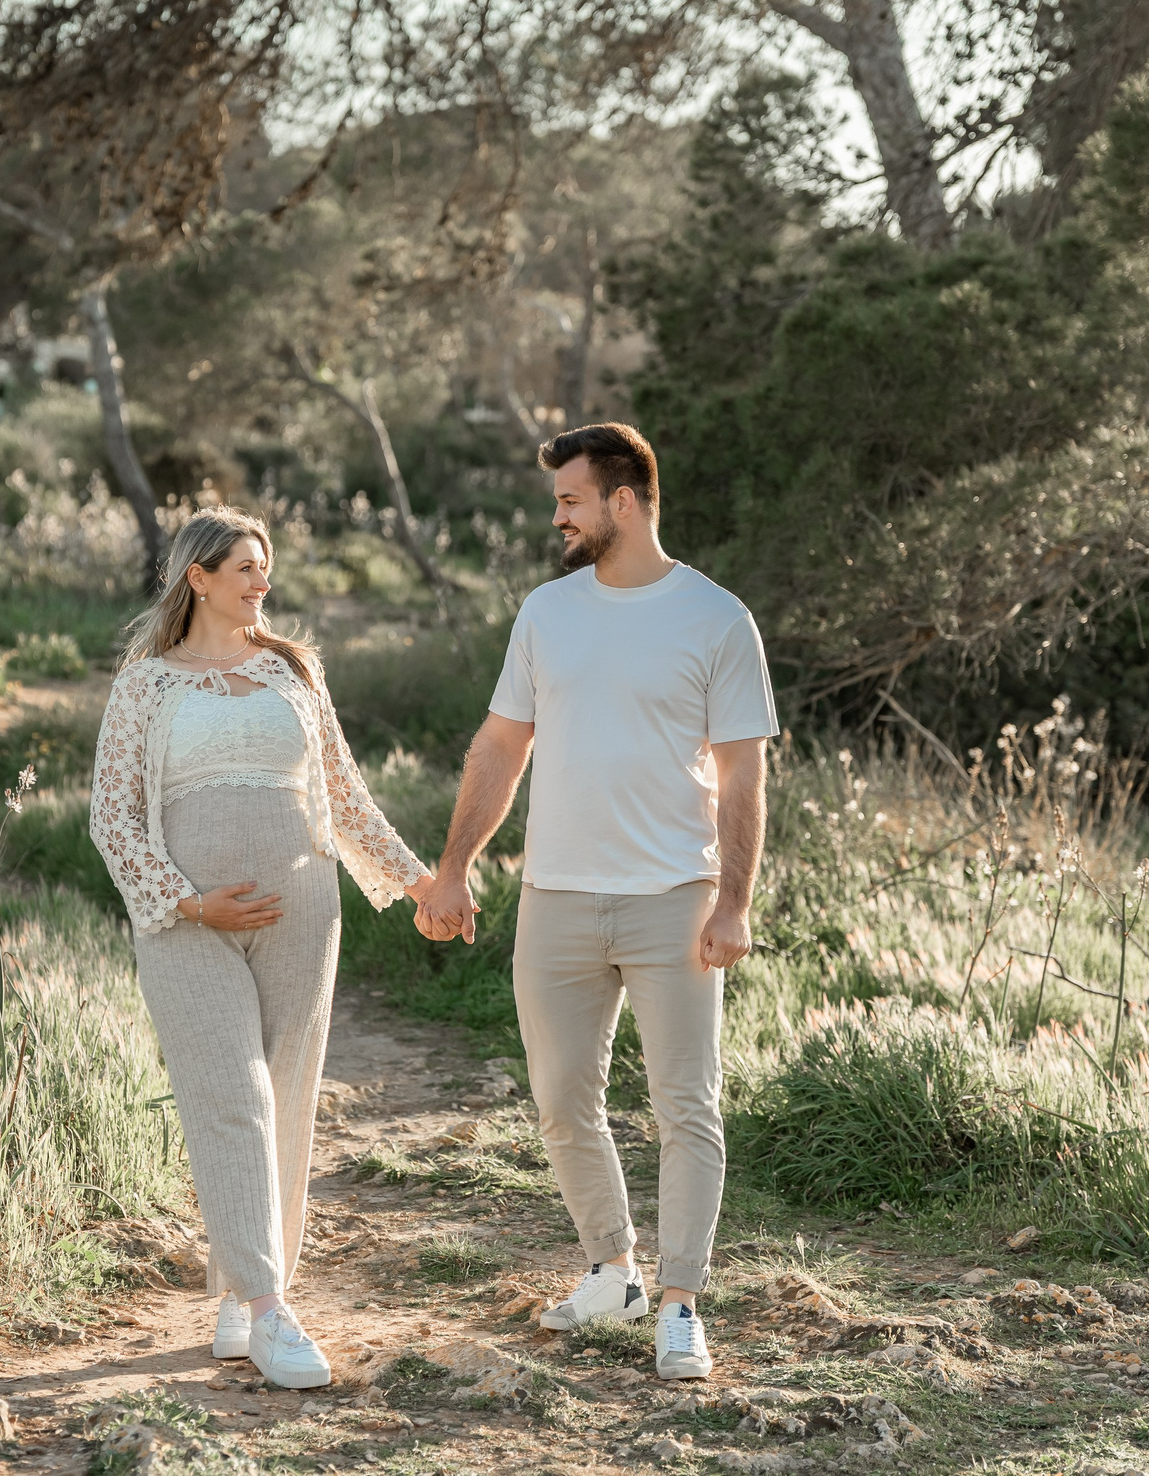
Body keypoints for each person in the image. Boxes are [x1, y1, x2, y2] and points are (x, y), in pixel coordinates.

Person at [415, 423, 775, 1382]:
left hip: (676, 898)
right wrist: (453, 868)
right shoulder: (547, 611)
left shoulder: (717, 618)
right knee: (562, 1099)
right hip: (557, 897)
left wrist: (733, 901)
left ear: (624, 499)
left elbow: (743, 775)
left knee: (685, 1105)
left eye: (570, 500)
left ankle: (681, 1303)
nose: (558, 518)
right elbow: (500, 746)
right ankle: (613, 1269)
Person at [89, 506, 435, 1390]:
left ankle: (243, 1290)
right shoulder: (144, 685)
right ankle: (274, 1308)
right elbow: (112, 817)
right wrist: (189, 901)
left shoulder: (293, 670)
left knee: (284, 1095)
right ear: (198, 576)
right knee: (231, 1093)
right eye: (244, 566)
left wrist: (419, 882)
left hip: (303, 910)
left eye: (265, 565)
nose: (261, 581)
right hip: (187, 922)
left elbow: (345, 797)